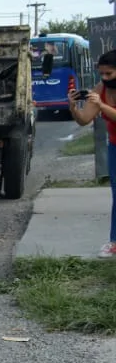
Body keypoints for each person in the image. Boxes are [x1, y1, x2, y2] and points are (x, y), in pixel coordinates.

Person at [68, 49, 116, 258]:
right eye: (102, 74)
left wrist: (102, 105)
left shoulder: (102, 96)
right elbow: (84, 119)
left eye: (109, 74)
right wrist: (73, 107)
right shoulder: (101, 89)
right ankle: (114, 242)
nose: (104, 79)